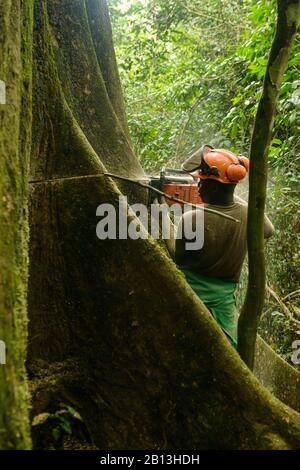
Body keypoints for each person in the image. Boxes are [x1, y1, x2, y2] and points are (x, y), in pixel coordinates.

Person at [173, 144, 274, 348]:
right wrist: (229, 191)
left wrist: (165, 226)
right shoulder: (249, 217)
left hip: (190, 295)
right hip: (224, 303)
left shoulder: (191, 219)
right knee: (230, 347)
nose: (198, 187)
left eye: (202, 183)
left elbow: (179, 260)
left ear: (214, 187)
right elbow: (269, 230)